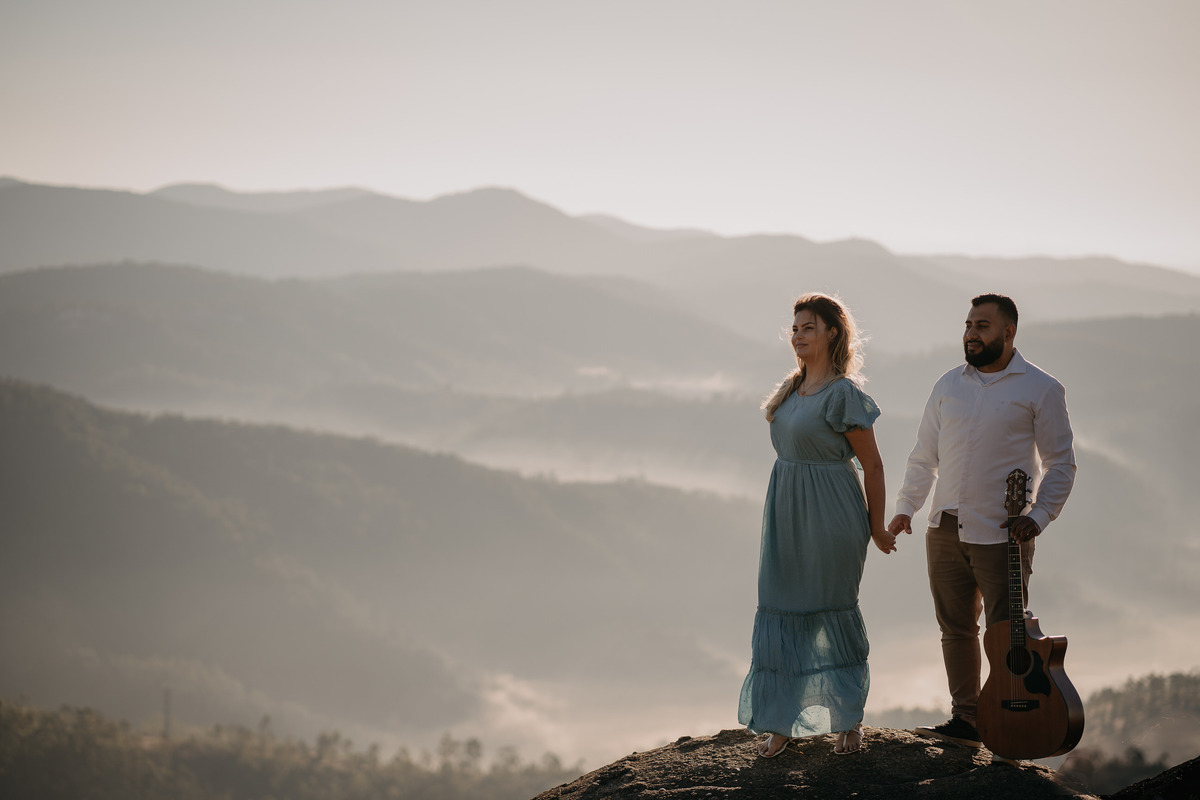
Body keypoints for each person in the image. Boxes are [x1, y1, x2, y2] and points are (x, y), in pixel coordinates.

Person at [886, 293, 1076, 748]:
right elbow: (923, 457)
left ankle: (1012, 726)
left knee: (1007, 635)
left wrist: (1040, 515)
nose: (972, 333)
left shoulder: (1040, 388)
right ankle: (967, 719)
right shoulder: (948, 384)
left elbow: (1061, 463)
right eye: (969, 325)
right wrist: (906, 508)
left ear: (1009, 332)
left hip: (1003, 532)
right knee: (955, 628)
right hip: (944, 527)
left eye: (983, 326)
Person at [739, 292, 897, 758]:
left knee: (829, 608)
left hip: (832, 513)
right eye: (794, 328)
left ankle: (847, 717)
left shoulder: (843, 393)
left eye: (809, 327)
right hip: (786, 511)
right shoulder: (791, 388)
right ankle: (782, 720)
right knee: (783, 608)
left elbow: (873, 465)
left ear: (832, 332)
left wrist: (876, 528)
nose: (798, 335)